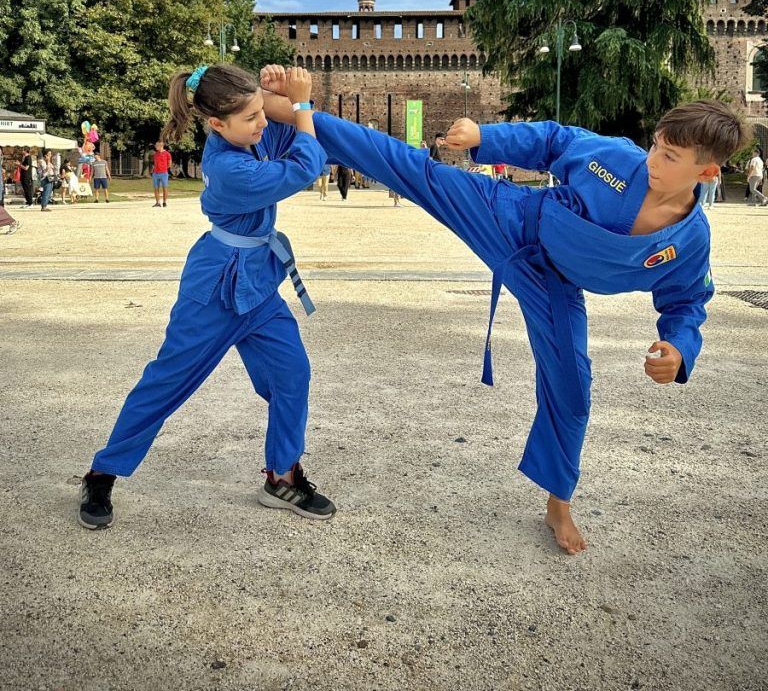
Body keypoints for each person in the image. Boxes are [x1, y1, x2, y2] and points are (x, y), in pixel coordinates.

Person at [259, 76, 749, 556]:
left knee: (572, 387)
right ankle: (283, 112)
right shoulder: (618, 159)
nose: (653, 160)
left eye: (670, 157)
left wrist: (679, 348)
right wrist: (485, 138)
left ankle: (559, 503)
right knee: (413, 169)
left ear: (708, 173)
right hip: (513, 218)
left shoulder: (688, 241)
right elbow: (556, 140)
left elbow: (686, 302)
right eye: (656, 146)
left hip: (552, 285)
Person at [79, 63, 335, 531]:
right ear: (217, 124)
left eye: (261, 113)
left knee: (292, 374)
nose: (261, 123)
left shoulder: (246, 138)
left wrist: (276, 95)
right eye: (251, 117)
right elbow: (304, 165)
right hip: (214, 290)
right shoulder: (227, 164)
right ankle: (102, 472)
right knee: (167, 382)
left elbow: (284, 134)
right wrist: (300, 104)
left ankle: (282, 476)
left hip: (258, 285)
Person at [151, 140, 172, 207]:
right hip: (155, 173)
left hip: (164, 173)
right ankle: (157, 202)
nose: (155, 146)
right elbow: (154, 164)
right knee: (156, 188)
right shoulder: (155, 154)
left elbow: (169, 164)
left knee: (164, 188)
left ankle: (164, 202)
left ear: (161, 145)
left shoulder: (167, 154)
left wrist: (164, 169)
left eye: (156, 145)